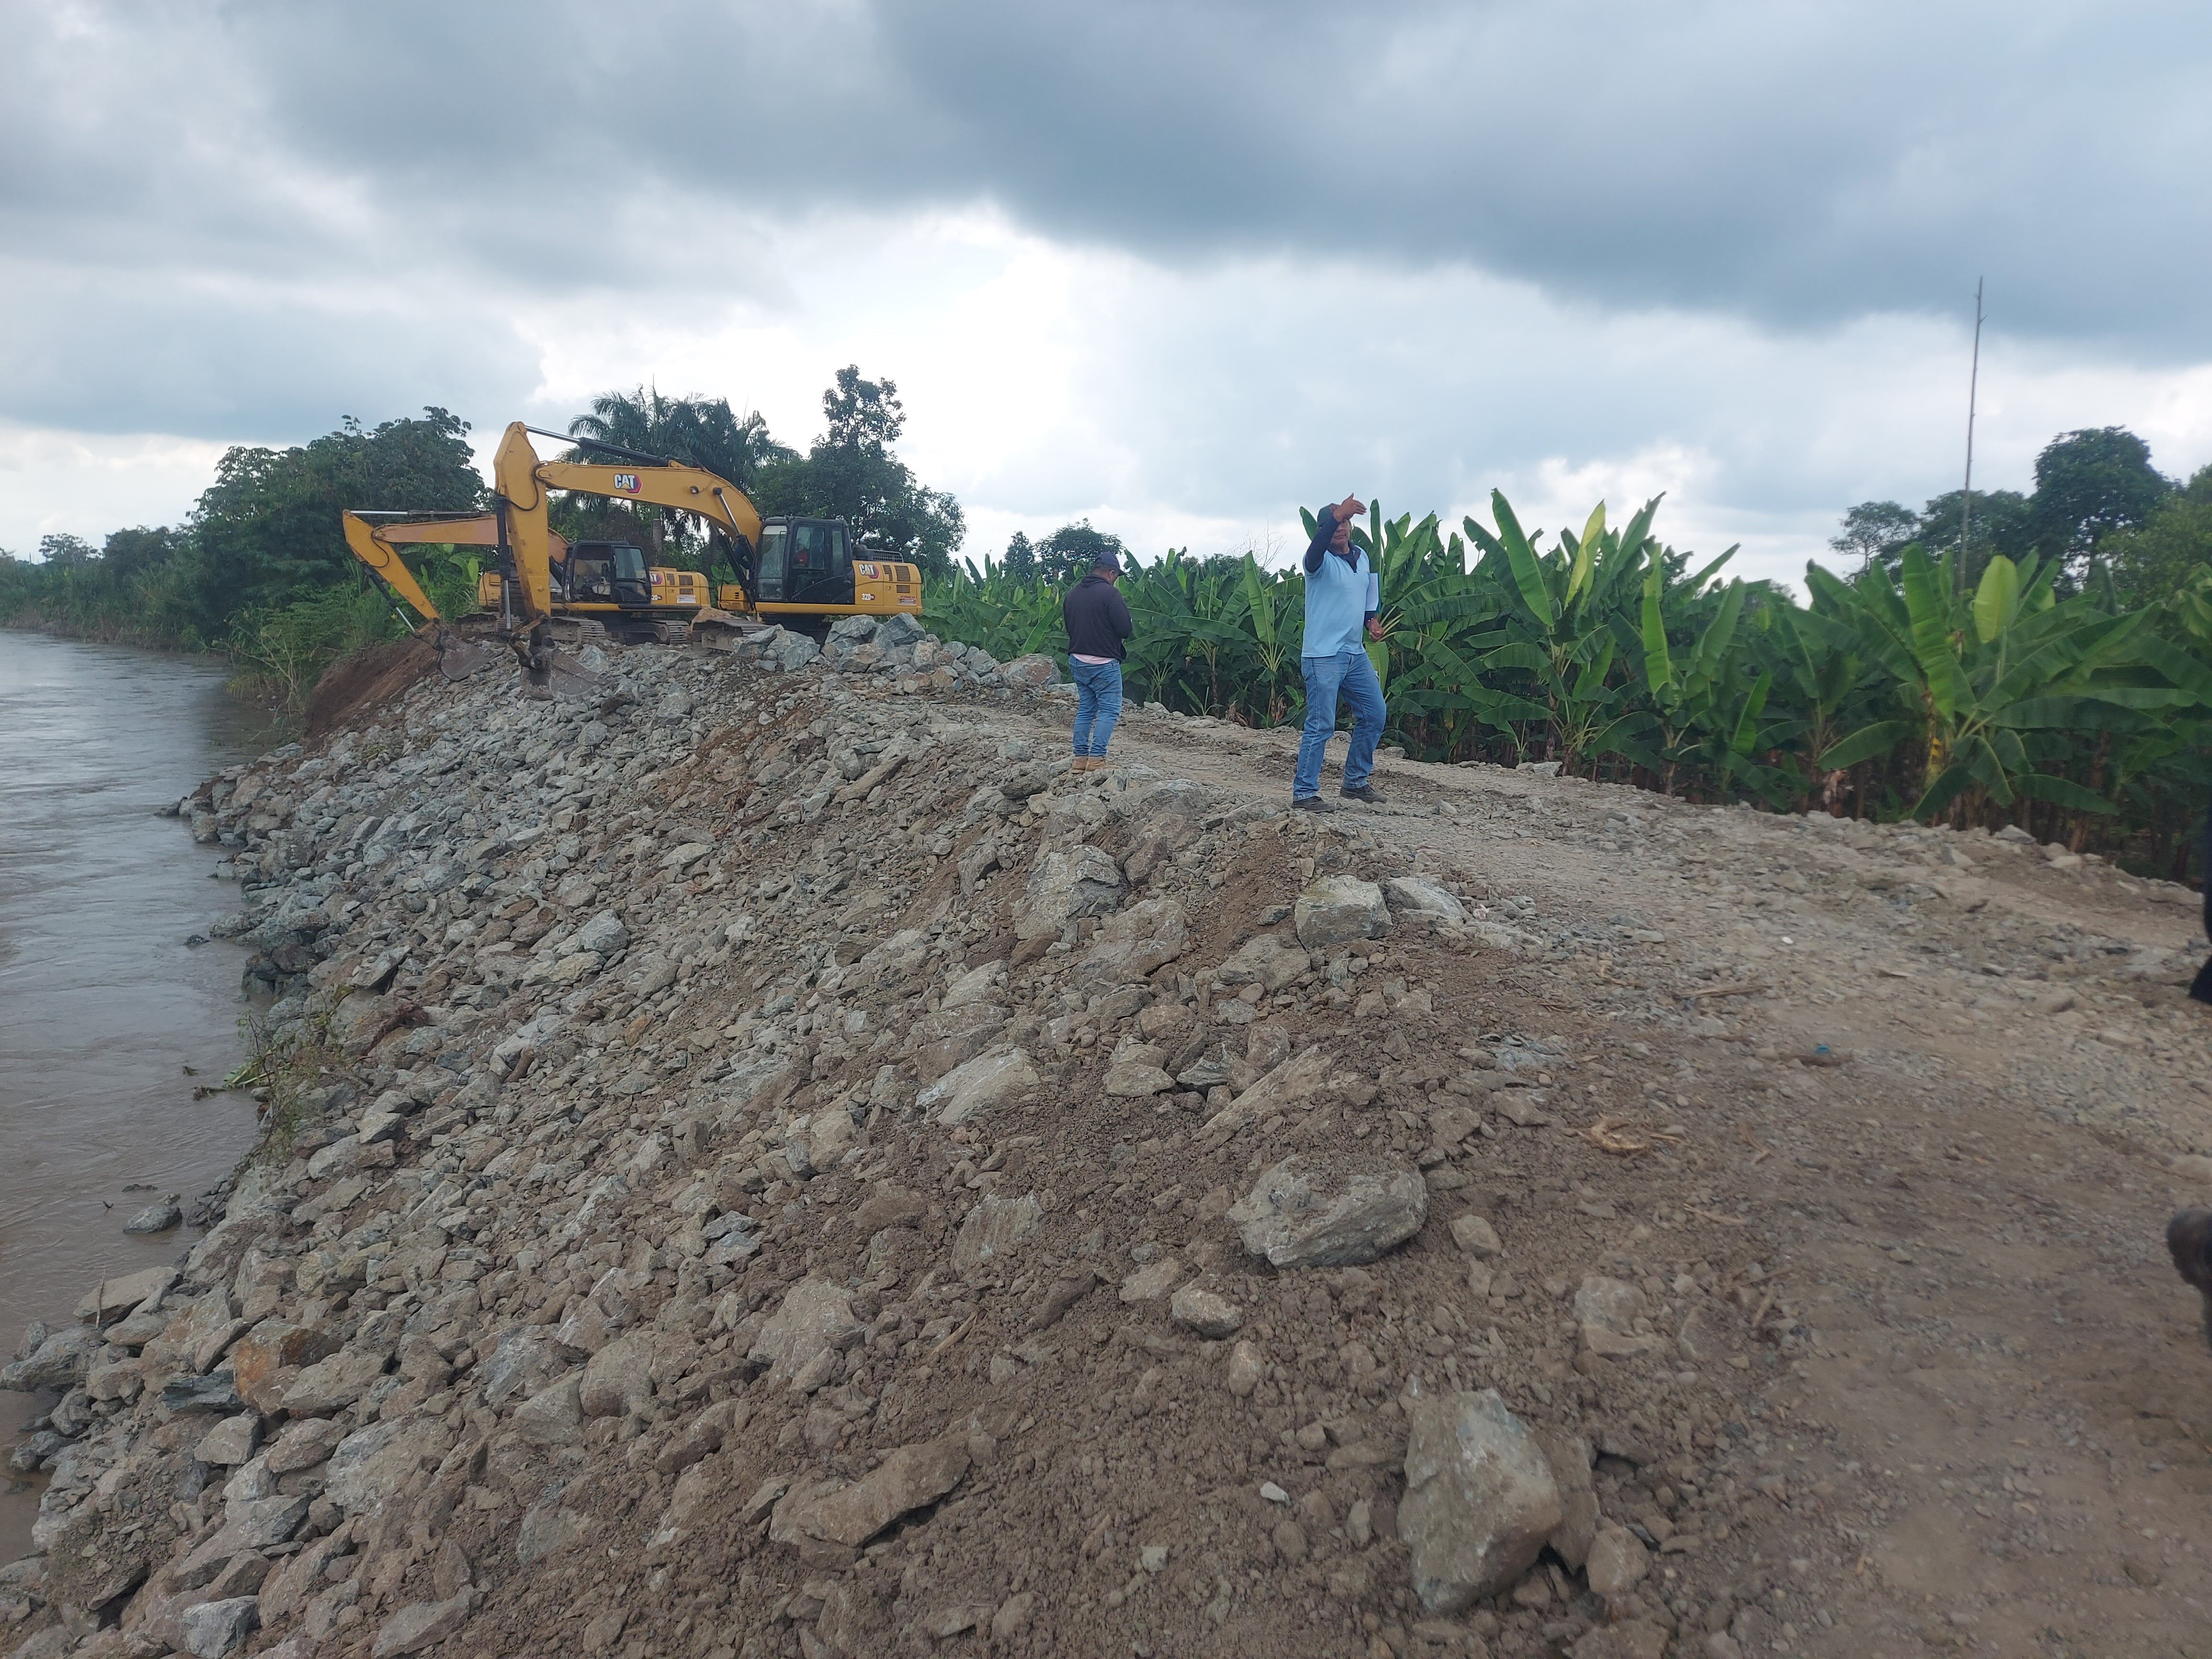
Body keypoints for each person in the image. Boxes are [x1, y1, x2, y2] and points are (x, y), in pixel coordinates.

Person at [1292, 493, 1386, 811]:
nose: (1341, 527)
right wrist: (1334, 516)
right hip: (1323, 656)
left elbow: (1368, 593)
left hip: (1354, 653)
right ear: (1323, 530)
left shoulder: (1362, 557)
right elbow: (1313, 552)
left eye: (1346, 521)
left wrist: (1371, 621)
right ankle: (1304, 793)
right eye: (1334, 523)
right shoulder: (1317, 562)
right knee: (1322, 725)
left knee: (1374, 714)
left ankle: (1355, 783)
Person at [1062, 549, 1133, 771]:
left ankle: (1080, 760)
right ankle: (1097, 760)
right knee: (1109, 710)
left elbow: (1069, 626)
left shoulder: (1073, 594)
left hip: (1077, 660)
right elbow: (1125, 630)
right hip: (1103, 663)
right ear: (1111, 574)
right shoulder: (1110, 595)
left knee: (1086, 708)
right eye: (1116, 577)